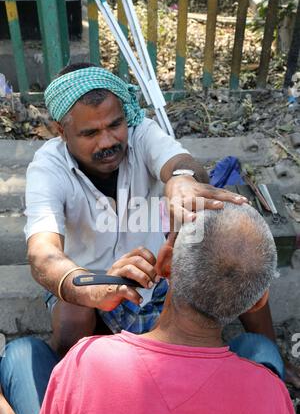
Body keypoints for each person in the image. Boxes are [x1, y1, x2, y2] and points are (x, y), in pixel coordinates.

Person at [25, 62, 300, 388]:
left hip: (159, 275)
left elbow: (182, 164)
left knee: (234, 257)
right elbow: (42, 254)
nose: (107, 141)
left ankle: (272, 353)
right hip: (95, 283)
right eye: (90, 133)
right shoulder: (47, 167)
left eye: (115, 124)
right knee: (74, 307)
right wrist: (89, 285)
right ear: (61, 131)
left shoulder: (142, 134)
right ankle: (73, 382)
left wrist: (182, 181)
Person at [33, 203, 300, 414]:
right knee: (257, 346)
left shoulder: (86, 360)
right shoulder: (270, 395)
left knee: (22, 354)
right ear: (258, 302)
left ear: (165, 264)